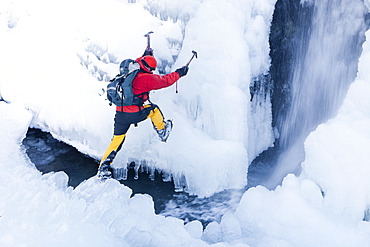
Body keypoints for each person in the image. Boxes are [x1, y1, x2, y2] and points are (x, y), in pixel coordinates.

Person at [97, 48, 189, 179]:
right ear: (149, 69)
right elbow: (165, 81)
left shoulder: (129, 72)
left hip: (120, 115)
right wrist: (179, 73)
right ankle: (162, 130)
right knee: (154, 110)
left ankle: (103, 168)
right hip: (134, 113)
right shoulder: (146, 78)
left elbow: (139, 61)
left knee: (116, 140)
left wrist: (146, 55)